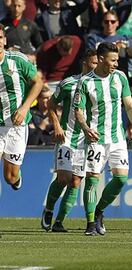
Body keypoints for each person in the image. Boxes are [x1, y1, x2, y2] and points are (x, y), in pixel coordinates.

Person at [73, 42, 132, 236]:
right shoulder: (86, 82)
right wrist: (85, 128)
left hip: (117, 138)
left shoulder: (120, 78)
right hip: (96, 138)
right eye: (113, 60)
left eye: (117, 60)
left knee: (121, 178)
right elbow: (78, 111)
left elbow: (130, 106)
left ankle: (99, 211)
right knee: (92, 180)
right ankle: (90, 223)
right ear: (100, 59)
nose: (116, 64)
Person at [40, 49, 98, 233]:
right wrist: (56, 125)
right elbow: (51, 105)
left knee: (75, 182)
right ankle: (48, 209)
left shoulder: (101, 84)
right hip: (67, 137)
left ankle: (59, 222)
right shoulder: (69, 83)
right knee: (64, 178)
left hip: (86, 140)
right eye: (94, 62)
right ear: (85, 63)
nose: (96, 66)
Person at [0, 23, 43, 191]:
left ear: (4, 40)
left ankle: (15, 178)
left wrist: (25, 108)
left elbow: (38, 83)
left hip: (16, 125)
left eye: (0, 38)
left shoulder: (17, 59)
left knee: (10, 177)